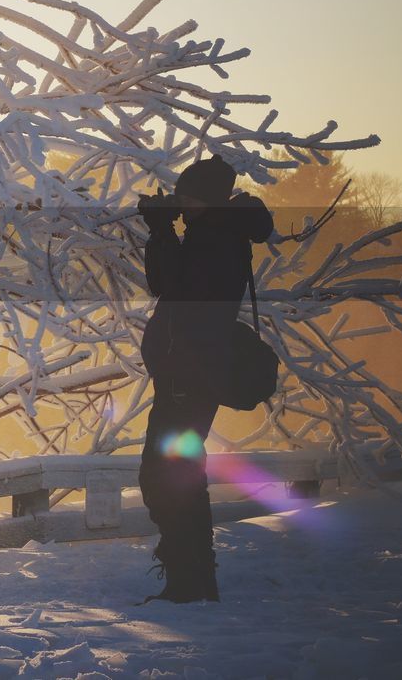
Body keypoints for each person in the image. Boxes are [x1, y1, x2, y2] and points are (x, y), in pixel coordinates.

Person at [136, 155, 274, 603]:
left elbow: (182, 291)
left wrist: (162, 232)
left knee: (169, 476)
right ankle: (190, 577)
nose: (181, 204)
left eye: (187, 197)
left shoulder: (217, 238)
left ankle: (190, 579)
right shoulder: (208, 233)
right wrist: (165, 234)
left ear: (208, 200)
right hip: (185, 371)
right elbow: (163, 284)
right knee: (173, 474)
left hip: (189, 374)